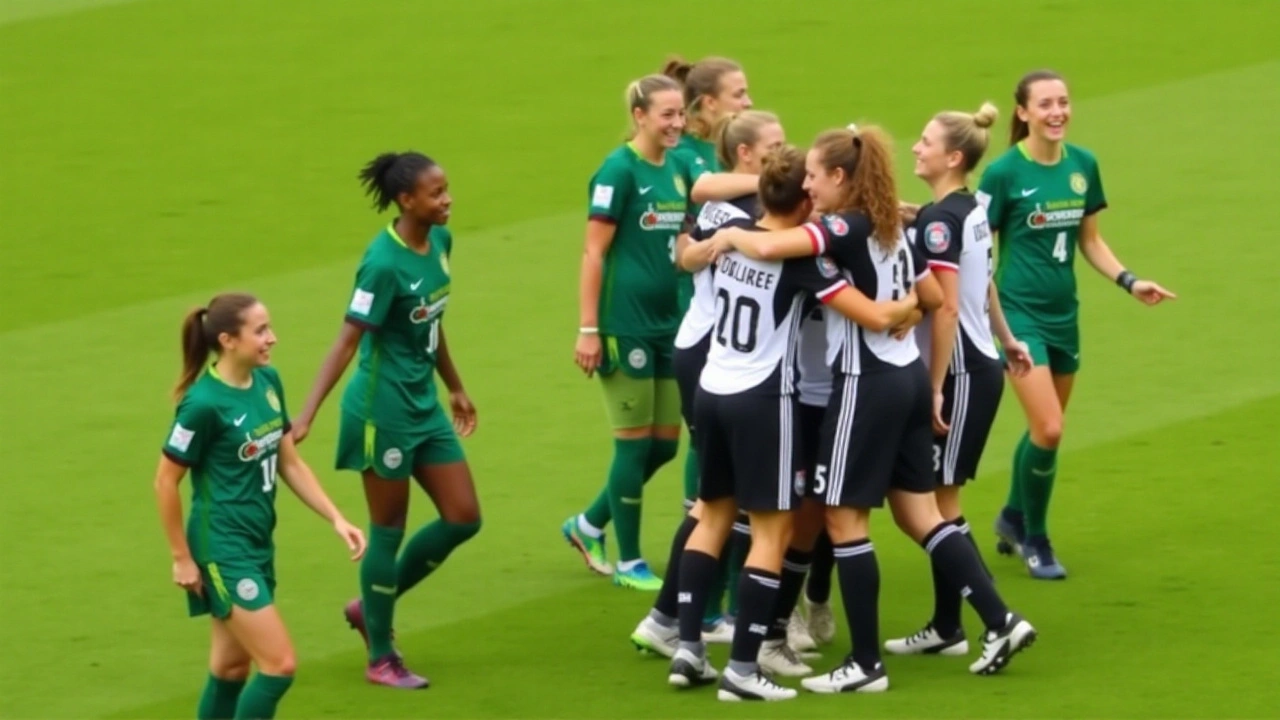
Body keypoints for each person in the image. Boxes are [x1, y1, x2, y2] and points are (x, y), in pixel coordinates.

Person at [712, 125, 1036, 692]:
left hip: (864, 387)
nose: (808, 187)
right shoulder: (892, 226)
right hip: (907, 379)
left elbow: (766, 246)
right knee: (922, 515)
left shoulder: (844, 227)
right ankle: (1001, 621)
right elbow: (935, 300)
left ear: (840, 177)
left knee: (841, 519)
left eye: (814, 175)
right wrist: (904, 312)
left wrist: (727, 236)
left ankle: (865, 664)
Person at [666, 144, 908, 700]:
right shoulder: (799, 260)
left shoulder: (730, 232)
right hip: (763, 400)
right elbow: (870, 314)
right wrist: (907, 308)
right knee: (771, 533)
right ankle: (744, 670)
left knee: (712, 518)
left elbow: (694, 231)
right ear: (804, 198)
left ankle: (688, 648)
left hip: (712, 389)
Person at [292, 152, 482, 688]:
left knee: (463, 516)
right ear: (406, 200)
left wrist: (456, 386)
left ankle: (370, 606)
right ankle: (380, 655)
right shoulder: (381, 262)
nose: (447, 200)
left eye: (447, 189)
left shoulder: (440, 243)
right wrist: (306, 415)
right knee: (387, 531)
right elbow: (348, 339)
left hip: (423, 405)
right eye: (436, 193)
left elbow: (430, 321)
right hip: (381, 414)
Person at [979, 70, 1175, 579]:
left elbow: (1090, 239)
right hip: (1019, 315)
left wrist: (1130, 281)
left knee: (1046, 432)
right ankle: (1035, 538)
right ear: (1023, 113)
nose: (1057, 112)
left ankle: (1012, 515)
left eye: (1063, 102)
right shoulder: (1003, 173)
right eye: (1045, 104)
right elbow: (975, 246)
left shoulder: (1083, 165)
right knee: (1049, 426)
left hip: (1065, 314)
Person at [154, 293, 366, 719]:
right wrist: (181, 558)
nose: (273, 338)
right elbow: (165, 481)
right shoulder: (203, 404)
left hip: (256, 542)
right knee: (279, 666)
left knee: (232, 667)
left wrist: (336, 517)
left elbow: (289, 462)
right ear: (229, 340)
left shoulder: (268, 384)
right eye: (261, 330)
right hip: (221, 547)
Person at [631, 109, 792, 653]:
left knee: (720, 500)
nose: (783, 151)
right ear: (745, 155)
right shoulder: (741, 205)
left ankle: (683, 618)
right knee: (718, 501)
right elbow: (690, 245)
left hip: (713, 354)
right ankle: (680, 618)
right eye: (773, 146)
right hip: (712, 357)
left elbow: (688, 248)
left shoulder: (740, 205)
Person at [883, 104, 1035, 656]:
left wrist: (936, 384)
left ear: (952, 156)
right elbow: (984, 280)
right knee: (939, 502)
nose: (915, 148)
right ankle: (950, 626)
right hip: (980, 360)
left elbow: (945, 310)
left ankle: (993, 622)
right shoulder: (965, 209)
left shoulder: (942, 221)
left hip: (964, 373)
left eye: (924, 141)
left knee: (935, 504)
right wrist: (1007, 336)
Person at [560, 74, 703, 591]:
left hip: (669, 326)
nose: (676, 124)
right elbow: (593, 251)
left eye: (680, 114)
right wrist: (589, 329)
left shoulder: (678, 168)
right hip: (624, 329)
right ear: (639, 116)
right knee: (632, 445)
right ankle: (631, 560)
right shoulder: (618, 170)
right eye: (666, 114)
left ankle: (587, 523)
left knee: (663, 446)